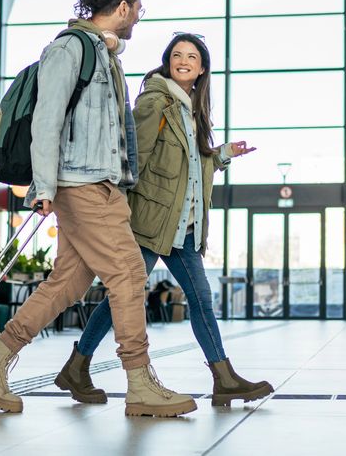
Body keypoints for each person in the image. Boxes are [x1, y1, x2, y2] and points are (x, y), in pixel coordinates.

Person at [0, 0, 197, 418]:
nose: (138, 18)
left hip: (100, 184)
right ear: (123, 7)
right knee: (128, 274)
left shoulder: (102, 52)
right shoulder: (69, 49)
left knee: (67, 283)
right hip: (82, 184)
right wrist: (44, 186)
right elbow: (46, 120)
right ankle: (140, 383)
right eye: (138, 9)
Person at [55, 33, 274, 407]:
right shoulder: (156, 102)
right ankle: (77, 366)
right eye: (177, 55)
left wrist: (222, 154)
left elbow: (189, 166)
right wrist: (116, 213)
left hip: (182, 226)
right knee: (125, 296)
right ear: (168, 62)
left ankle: (223, 378)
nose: (184, 61)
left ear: (202, 69)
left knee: (198, 299)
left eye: (192, 57)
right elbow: (133, 159)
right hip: (149, 222)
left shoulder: (191, 110)